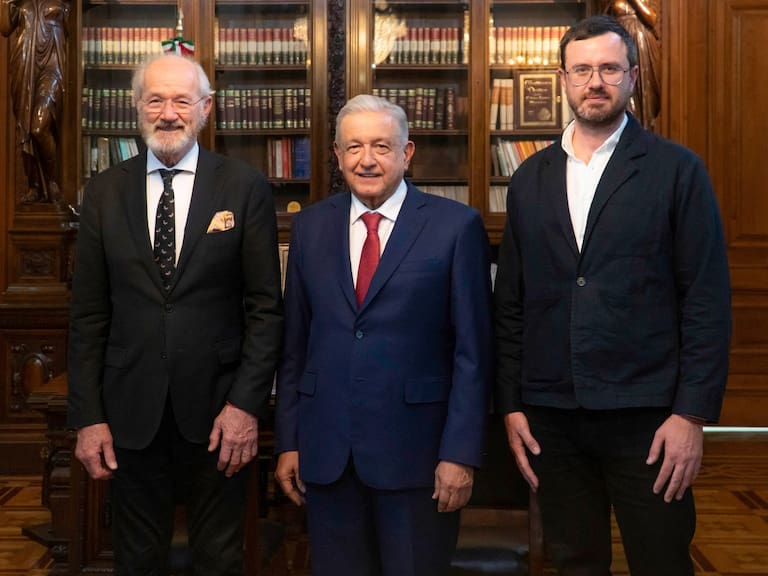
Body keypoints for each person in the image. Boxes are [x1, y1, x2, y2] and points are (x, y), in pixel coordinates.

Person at [494, 15, 731, 576]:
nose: (594, 81)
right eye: (582, 70)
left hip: (648, 418)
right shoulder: (530, 177)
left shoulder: (677, 170)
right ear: (563, 79)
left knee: (662, 559)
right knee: (573, 561)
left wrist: (691, 415)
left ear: (630, 76)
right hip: (552, 414)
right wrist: (511, 403)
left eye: (608, 68)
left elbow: (705, 300)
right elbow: (511, 303)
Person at [67, 53, 284, 575]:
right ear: (136, 108)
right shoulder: (102, 193)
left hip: (218, 414)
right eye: (155, 100)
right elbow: (88, 315)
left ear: (205, 108)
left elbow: (265, 309)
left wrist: (245, 407)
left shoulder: (244, 187)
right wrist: (89, 417)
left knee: (220, 557)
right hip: (129, 412)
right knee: (137, 558)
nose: (169, 113)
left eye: (182, 100)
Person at [274, 94, 492, 576]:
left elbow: (473, 354)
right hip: (328, 456)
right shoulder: (309, 228)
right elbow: (295, 346)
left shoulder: (455, 227)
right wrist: (288, 440)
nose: (366, 160)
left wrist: (459, 453)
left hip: (418, 458)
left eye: (380, 147)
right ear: (336, 155)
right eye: (353, 148)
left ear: (407, 153)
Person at [0, 0, 69, 203]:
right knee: (26, 126)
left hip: (53, 63)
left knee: (39, 126)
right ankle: (35, 185)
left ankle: (53, 181)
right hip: (24, 63)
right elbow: (4, 27)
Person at [605, 0, 661, 130]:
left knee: (644, 89)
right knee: (622, 89)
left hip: (640, 41)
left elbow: (652, 19)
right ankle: (627, 130)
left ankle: (643, 131)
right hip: (619, 42)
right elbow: (605, 20)